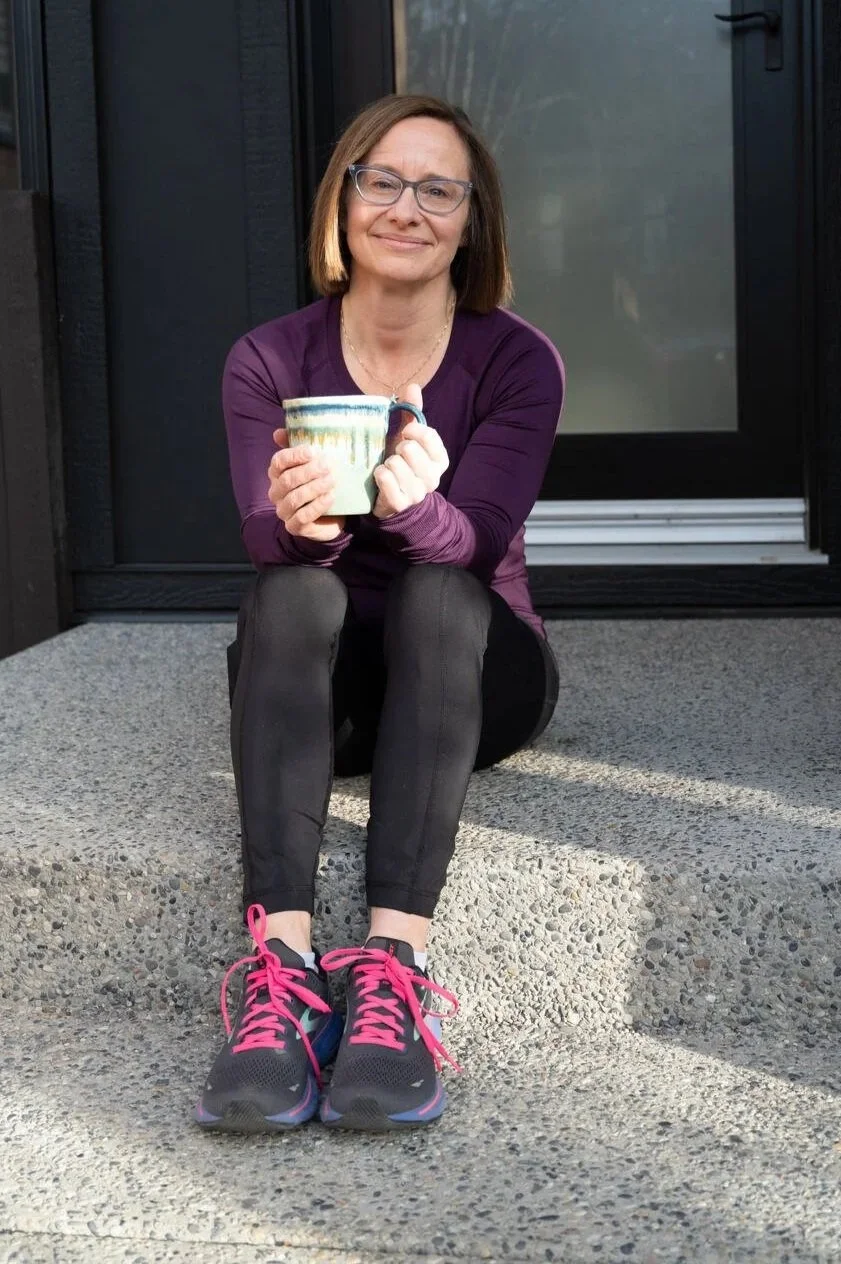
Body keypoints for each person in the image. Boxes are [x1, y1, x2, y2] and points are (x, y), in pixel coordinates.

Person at [195, 93, 564, 1134]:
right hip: (330, 690)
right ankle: (282, 971)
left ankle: (393, 971)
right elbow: (262, 532)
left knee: (440, 589)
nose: (408, 207)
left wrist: (420, 512)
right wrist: (306, 529)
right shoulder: (267, 358)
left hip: (474, 671)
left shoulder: (516, 361)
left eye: (439, 188)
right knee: (289, 586)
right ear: (342, 201)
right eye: (383, 180)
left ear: (472, 218)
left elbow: (481, 541)